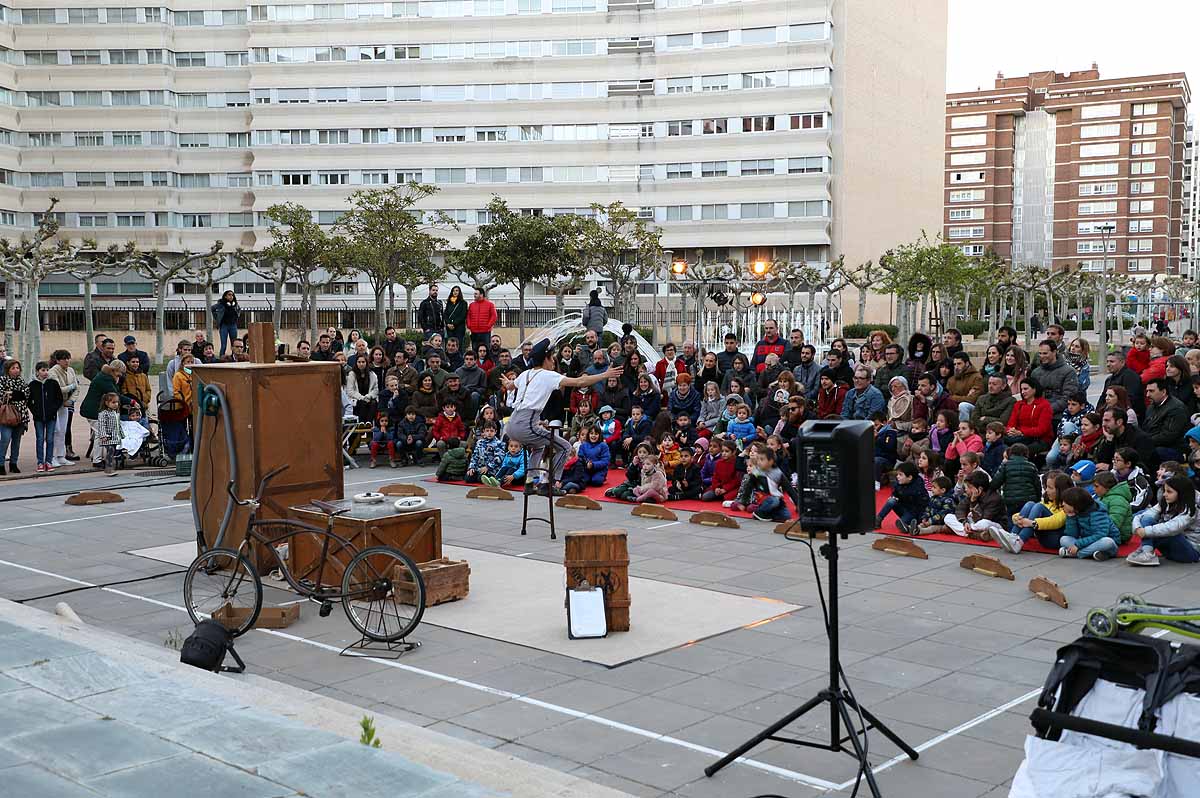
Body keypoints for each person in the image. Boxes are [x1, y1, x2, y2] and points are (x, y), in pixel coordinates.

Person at [502, 338, 622, 496]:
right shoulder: (548, 375)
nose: (553, 362)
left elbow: (511, 385)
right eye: (552, 358)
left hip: (512, 425)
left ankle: (530, 482)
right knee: (565, 447)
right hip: (527, 423)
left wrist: (506, 383)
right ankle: (547, 483)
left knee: (539, 446)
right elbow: (581, 381)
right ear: (545, 359)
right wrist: (605, 374)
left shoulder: (525, 374)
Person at [992, 471, 1072, 554]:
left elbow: (1056, 521)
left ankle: (1019, 541)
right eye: (1046, 487)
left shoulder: (1068, 505)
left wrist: (1032, 523)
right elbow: (1029, 513)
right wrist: (1017, 518)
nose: (1046, 490)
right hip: (1044, 537)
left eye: (1050, 488)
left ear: (1060, 490)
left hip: (1056, 539)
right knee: (1030, 504)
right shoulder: (1048, 501)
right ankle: (1013, 536)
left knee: (1038, 507)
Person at [1054, 487, 1120, 561]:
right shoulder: (1077, 511)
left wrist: (1078, 545)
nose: (1063, 504)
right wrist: (1071, 517)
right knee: (1064, 539)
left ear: (1075, 503)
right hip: (1087, 542)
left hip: (1103, 542)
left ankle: (1077, 554)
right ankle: (1093, 553)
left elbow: (1100, 535)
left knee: (1108, 542)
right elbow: (1072, 535)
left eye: (1066, 502)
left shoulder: (1097, 512)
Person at [944, 470, 1007, 539]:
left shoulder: (994, 498)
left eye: (969, 487)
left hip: (993, 524)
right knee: (948, 517)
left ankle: (966, 532)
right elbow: (960, 509)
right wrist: (965, 522)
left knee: (983, 523)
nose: (966, 489)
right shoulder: (970, 495)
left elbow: (983, 519)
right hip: (974, 523)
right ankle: (974, 534)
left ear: (979, 489)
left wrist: (973, 502)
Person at [1143, 377, 1189, 464]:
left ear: (1163, 392)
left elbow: (1168, 436)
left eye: (1151, 391)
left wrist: (1145, 441)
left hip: (1174, 449)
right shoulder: (1151, 407)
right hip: (1154, 444)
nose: (1147, 395)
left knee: (1152, 452)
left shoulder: (1176, 409)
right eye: (1147, 391)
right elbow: (1146, 428)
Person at [990, 442, 1042, 517]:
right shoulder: (1032, 466)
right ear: (1026, 454)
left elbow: (995, 483)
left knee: (1012, 520)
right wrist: (1038, 499)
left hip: (1011, 500)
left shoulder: (1005, 465)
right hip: (1029, 500)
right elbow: (1037, 485)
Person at [875, 461, 928, 532]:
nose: (897, 477)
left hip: (914, 512)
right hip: (904, 507)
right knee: (891, 501)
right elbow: (895, 493)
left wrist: (922, 518)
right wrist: (893, 496)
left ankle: (907, 525)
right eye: (897, 474)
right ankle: (878, 519)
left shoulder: (918, 487)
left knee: (902, 522)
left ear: (909, 477)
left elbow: (923, 505)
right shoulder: (899, 483)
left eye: (900, 475)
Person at [48, 349, 79, 466]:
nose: (66, 361)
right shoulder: (53, 372)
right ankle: (52, 457)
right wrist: (71, 386)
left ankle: (61, 456)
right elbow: (57, 389)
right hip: (54, 404)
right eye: (63, 359)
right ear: (57, 360)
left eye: (68, 358)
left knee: (63, 430)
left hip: (65, 404)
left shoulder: (71, 370)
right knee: (56, 430)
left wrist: (71, 400)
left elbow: (77, 388)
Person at [1005, 379, 1053, 451]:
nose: (1023, 392)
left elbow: (1042, 429)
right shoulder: (1018, 405)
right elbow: (1011, 424)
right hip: (1019, 437)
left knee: (1020, 450)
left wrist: (1021, 432)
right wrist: (1011, 431)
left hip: (1040, 439)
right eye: (1021, 389)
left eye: (1025, 389)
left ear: (1034, 389)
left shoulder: (1045, 405)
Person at [0, 359, 28, 474]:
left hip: (21, 416)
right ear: (7, 370)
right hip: (6, 416)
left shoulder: (22, 381)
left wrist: (12, 394)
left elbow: (26, 394)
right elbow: (3, 396)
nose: (16, 370)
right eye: (13, 368)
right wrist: (16, 395)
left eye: (17, 368)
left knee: (16, 441)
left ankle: (13, 463)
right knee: (5, 439)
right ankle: (1, 464)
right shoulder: (2, 380)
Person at [1093, 470, 1134, 546]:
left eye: (1096, 486)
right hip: (1102, 531)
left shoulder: (1118, 500)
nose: (1093, 489)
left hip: (1118, 535)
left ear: (1107, 487)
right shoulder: (1101, 498)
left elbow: (1115, 523)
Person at [947, 352, 983, 421]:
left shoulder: (977, 378)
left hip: (973, 408)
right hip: (954, 406)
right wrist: (964, 397)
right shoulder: (951, 380)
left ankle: (964, 428)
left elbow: (972, 399)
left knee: (963, 406)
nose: (956, 367)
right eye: (955, 364)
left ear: (967, 363)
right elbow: (948, 398)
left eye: (959, 364)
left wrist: (954, 397)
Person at [95, 392, 123, 476]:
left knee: (113, 452)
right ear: (107, 403)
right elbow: (101, 425)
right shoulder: (103, 414)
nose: (116, 404)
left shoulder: (116, 413)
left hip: (115, 436)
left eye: (117, 402)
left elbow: (118, 425)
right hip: (108, 437)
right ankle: (109, 468)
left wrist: (121, 434)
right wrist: (103, 435)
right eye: (113, 402)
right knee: (110, 452)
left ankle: (111, 467)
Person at [345, 357, 379, 424]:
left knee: (373, 403)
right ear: (356, 363)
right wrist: (362, 397)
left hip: (369, 398)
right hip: (356, 399)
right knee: (362, 403)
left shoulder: (372, 374)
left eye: (363, 362)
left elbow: (375, 390)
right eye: (359, 362)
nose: (361, 364)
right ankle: (361, 423)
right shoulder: (352, 374)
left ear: (366, 363)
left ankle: (369, 423)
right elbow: (350, 391)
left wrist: (368, 396)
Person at [210, 290, 242, 357]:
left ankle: (234, 357)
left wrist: (237, 316)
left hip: (233, 325)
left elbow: (239, 310)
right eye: (229, 295)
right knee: (223, 344)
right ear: (225, 296)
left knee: (234, 343)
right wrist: (217, 317)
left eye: (232, 295)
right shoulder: (221, 304)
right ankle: (222, 357)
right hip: (224, 326)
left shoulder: (235, 304)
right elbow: (212, 308)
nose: (231, 296)